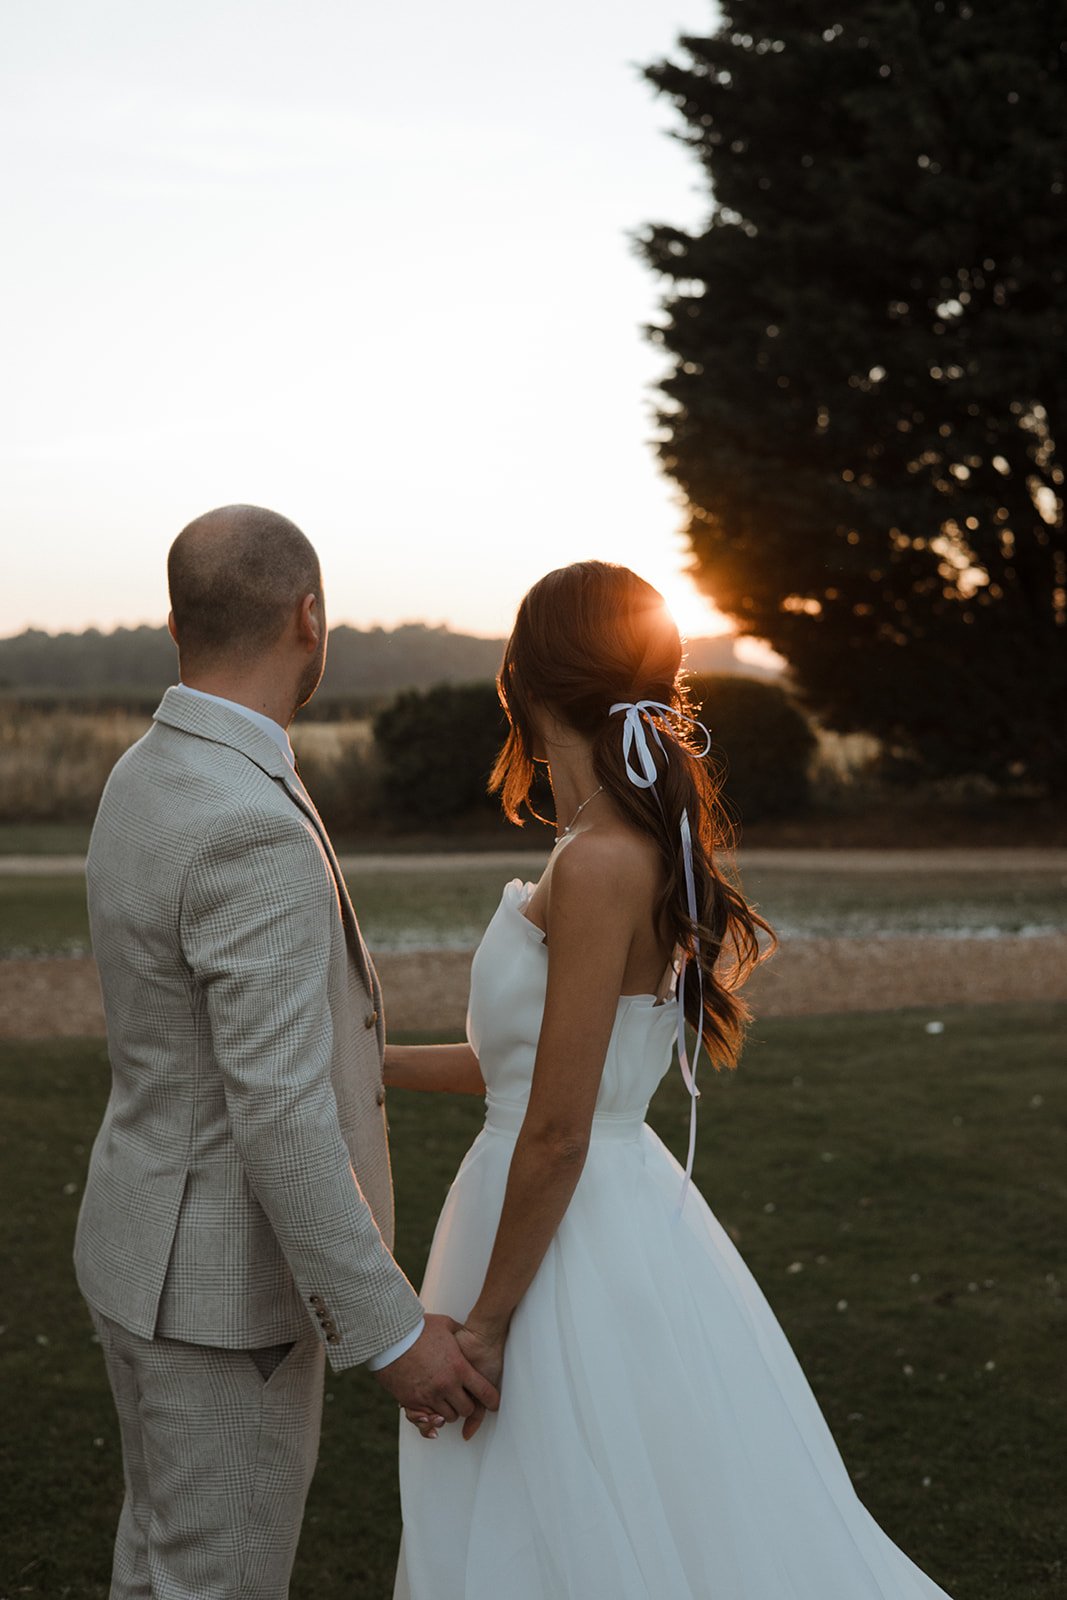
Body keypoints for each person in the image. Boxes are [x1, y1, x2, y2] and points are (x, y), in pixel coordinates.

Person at [388, 560, 955, 1599]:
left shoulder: (601, 860)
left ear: (524, 678)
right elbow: (515, 1072)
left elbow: (555, 1128)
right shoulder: (607, 845)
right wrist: (363, 1066)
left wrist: (484, 1325)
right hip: (584, 1206)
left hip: (559, 1242)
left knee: (562, 1526)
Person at [75, 505, 497, 1600]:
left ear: (178, 622)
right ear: (310, 617)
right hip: (219, 1301)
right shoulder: (244, 816)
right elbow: (278, 1114)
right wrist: (392, 1330)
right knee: (214, 1581)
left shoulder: (146, 771)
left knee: (159, 1562)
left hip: (136, 1248)